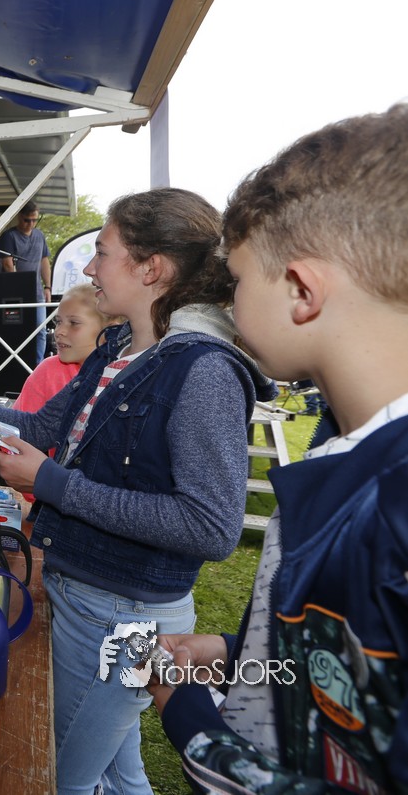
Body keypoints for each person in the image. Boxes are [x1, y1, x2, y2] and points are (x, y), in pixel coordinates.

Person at [0, 188, 275, 795]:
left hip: (122, 615)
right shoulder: (119, 352)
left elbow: (211, 527)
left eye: (103, 252)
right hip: (83, 596)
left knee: (59, 778)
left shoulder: (202, 371)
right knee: (117, 769)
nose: (90, 268)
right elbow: (41, 427)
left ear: (151, 268)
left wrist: (52, 484)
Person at [151, 105, 408, 792]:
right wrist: (239, 653)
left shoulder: (391, 505)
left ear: (301, 289)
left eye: (237, 280)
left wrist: (191, 721)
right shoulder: (344, 453)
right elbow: (357, 667)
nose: (230, 305)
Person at [13, 283, 121, 413]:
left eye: (74, 323)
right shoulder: (48, 371)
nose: (59, 331)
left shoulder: (126, 377)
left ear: (110, 330)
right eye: (58, 322)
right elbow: (21, 423)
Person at [0, 199, 52, 365]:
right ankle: (17, 366)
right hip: (16, 294)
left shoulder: (40, 235)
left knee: (40, 330)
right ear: (19, 217)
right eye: (27, 220)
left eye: (35, 220)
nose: (31, 224)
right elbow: (7, 264)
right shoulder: (9, 236)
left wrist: (48, 286)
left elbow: (44, 261)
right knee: (18, 331)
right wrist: (18, 287)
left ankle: (37, 366)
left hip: (37, 292)